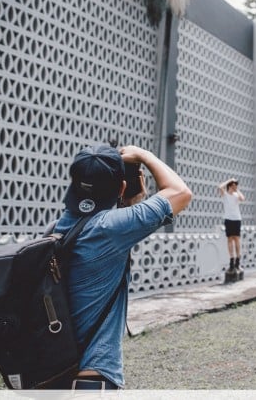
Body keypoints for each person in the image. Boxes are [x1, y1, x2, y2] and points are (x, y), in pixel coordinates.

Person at [53, 144, 191, 390]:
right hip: (92, 379)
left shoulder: (58, 228)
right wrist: (144, 155)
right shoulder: (110, 228)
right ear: (122, 187)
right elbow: (181, 192)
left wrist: (127, 205)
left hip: (53, 378)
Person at [218, 178, 245, 282]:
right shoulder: (225, 195)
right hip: (228, 219)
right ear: (229, 186)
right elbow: (220, 187)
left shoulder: (236, 195)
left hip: (237, 219)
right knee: (230, 239)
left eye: (236, 185)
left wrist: (237, 190)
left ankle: (238, 260)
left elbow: (242, 198)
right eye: (233, 185)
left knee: (236, 239)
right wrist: (229, 180)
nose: (235, 187)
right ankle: (231, 260)